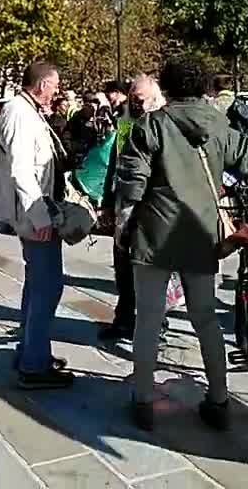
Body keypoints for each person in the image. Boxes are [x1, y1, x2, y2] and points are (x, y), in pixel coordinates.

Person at [116, 55, 248, 431]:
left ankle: (144, 401)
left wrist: (123, 223)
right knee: (205, 320)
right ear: (203, 87)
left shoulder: (151, 126)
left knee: (149, 320)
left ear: (165, 87)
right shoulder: (220, 125)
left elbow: (132, 181)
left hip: (155, 234)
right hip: (201, 232)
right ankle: (218, 399)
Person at [0, 60, 72, 389]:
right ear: (43, 85)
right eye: (55, 86)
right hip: (34, 215)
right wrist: (39, 216)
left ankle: (32, 350)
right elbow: (22, 170)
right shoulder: (19, 112)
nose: (56, 92)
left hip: (37, 211)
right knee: (47, 286)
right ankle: (33, 365)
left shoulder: (26, 111)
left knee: (38, 284)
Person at [97, 74, 166, 341]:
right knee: (123, 264)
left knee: (152, 268)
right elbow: (115, 163)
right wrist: (106, 203)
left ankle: (157, 322)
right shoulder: (124, 122)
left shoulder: (164, 124)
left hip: (155, 205)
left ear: (154, 98)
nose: (134, 103)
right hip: (125, 203)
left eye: (139, 99)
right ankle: (123, 319)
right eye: (132, 98)